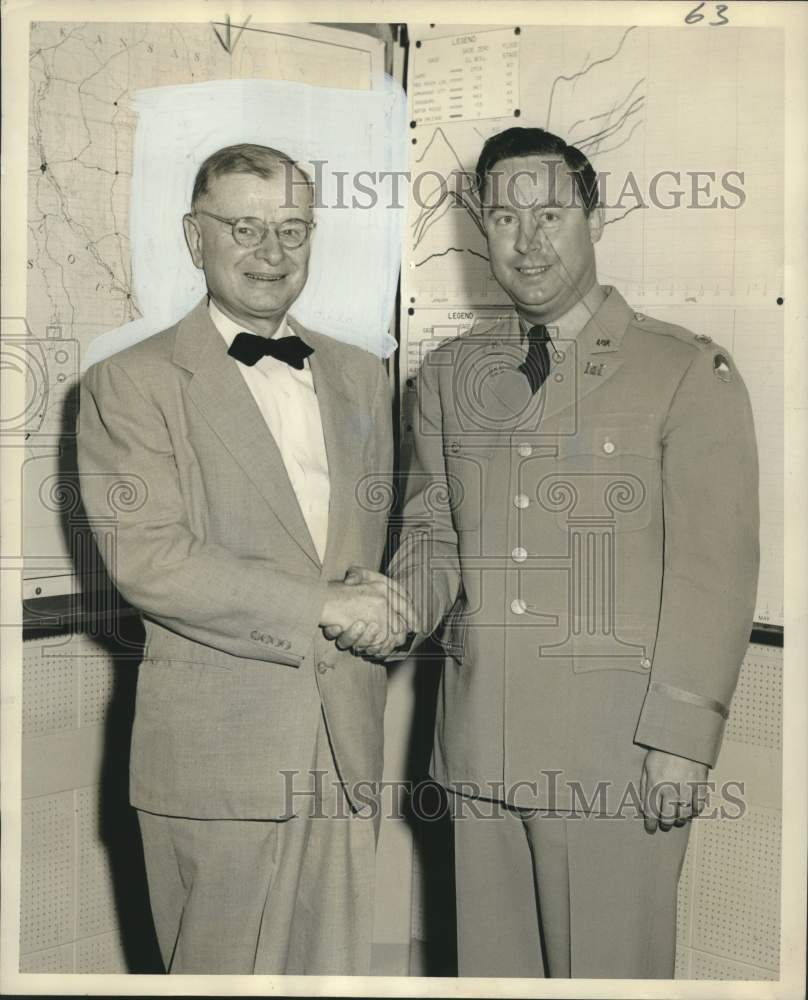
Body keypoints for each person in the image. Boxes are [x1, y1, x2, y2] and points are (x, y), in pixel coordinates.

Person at [333, 127, 759, 979]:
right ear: (480, 230)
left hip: (618, 760)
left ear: (592, 217)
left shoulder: (681, 371)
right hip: (480, 750)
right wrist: (400, 606)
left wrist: (682, 739)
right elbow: (433, 530)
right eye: (503, 217)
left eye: (550, 212)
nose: (526, 241)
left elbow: (717, 571)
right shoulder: (451, 376)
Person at [77, 143, 414, 975]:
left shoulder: (363, 376)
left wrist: (389, 605)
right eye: (245, 227)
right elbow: (150, 558)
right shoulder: (131, 382)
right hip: (219, 763)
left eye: (293, 229)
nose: (272, 252)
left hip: (347, 752)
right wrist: (327, 606)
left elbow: (368, 542)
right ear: (196, 238)